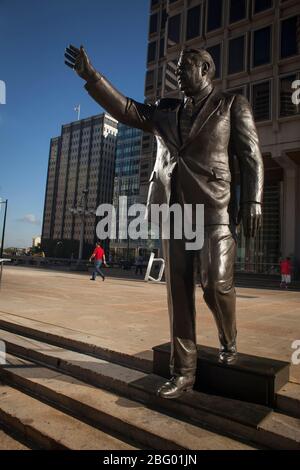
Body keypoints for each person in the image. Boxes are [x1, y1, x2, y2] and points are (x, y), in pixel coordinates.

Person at [65, 45, 263, 399]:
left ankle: (228, 340)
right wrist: (92, 77)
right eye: (176, 68)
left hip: (215, 210)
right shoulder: (164, 110)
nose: (177, 73)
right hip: (173, 212)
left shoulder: (232, 104)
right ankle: (183, 372)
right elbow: (126, 109)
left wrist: (253, 200)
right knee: (179, 294)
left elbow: (251, 156)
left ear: (205, 69)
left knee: (215, 285)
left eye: (185, 67)